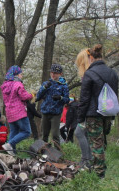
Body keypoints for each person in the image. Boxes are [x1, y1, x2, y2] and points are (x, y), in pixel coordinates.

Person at [77, 44, 118, 178]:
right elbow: (114, 94)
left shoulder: (90, 73)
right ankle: (101, 167)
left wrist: (80, 117)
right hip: (108, 112)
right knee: (102, 142)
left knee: (96, 144)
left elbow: (84, 99)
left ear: (90, 57)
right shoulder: (112, 73)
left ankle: (99, 174)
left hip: (93, 114)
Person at [0, 65, 33, 156]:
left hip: (9, 113)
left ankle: (11, 154)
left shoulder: (5, 85)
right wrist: (31, 95)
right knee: (27, 132)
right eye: (21, 74)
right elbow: (24, 96)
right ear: (17, 75)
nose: (22, 76)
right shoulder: (17, 84)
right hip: (19, 112)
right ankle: (9, 144)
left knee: (14, 132)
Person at [36, 63, 69, 150]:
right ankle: (43, 152)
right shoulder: (46, 83)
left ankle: (58, 153)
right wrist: (44, 88)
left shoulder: (63, 85)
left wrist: (60, 98)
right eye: (51, 72)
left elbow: (67, 100)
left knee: (55, 134)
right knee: (44, 134)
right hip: (45, 112)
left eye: (55, 73)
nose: (53, 74)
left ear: (60, 74)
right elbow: (38, 97)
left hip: (56, 113)